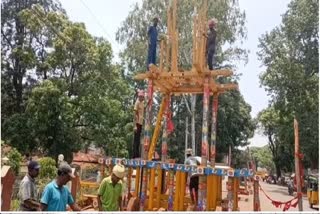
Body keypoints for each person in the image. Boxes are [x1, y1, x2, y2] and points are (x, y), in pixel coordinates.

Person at [132, 90, 145, 159]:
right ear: (139, 96)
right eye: (141, 96)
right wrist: (134, 125)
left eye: (142, 97)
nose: (142, 98)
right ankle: (134, 156)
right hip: (137, 123)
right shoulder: (137, 103)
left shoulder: (142, 103)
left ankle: (137, 155)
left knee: (138, 139)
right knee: (136, 139)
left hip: (140, 123)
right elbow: (134, 114)